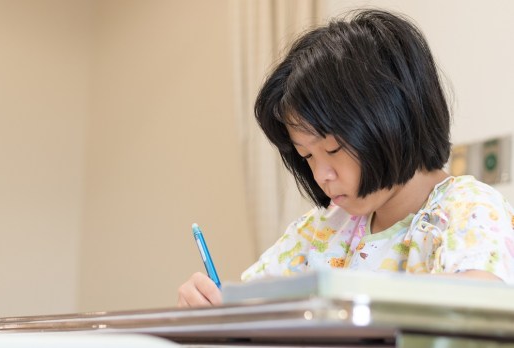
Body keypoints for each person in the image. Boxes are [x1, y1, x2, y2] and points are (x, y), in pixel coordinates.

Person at [177, 9, 514, 308]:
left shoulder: (468, 210)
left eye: (334, 150)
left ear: (391, 119)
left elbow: (482, 298)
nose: (322, 175)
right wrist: (212, 305)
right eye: (306, 155)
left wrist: (347, 294)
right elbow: (252, 303)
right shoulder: (321, 230)